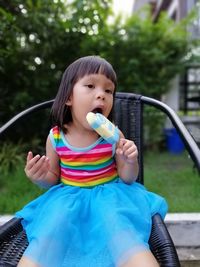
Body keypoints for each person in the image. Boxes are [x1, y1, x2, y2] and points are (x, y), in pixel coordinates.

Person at [17, 55, 167, 267]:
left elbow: (128, 177)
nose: (102, 95)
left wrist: (129, 160)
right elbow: (53, 177)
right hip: (68, 201)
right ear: (68, 97)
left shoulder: (113, 136)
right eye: (90, 86)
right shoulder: (56, 137)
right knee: (53, 229)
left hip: (110, 197)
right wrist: (40, 177)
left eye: (108, 90)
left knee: (118, 226)